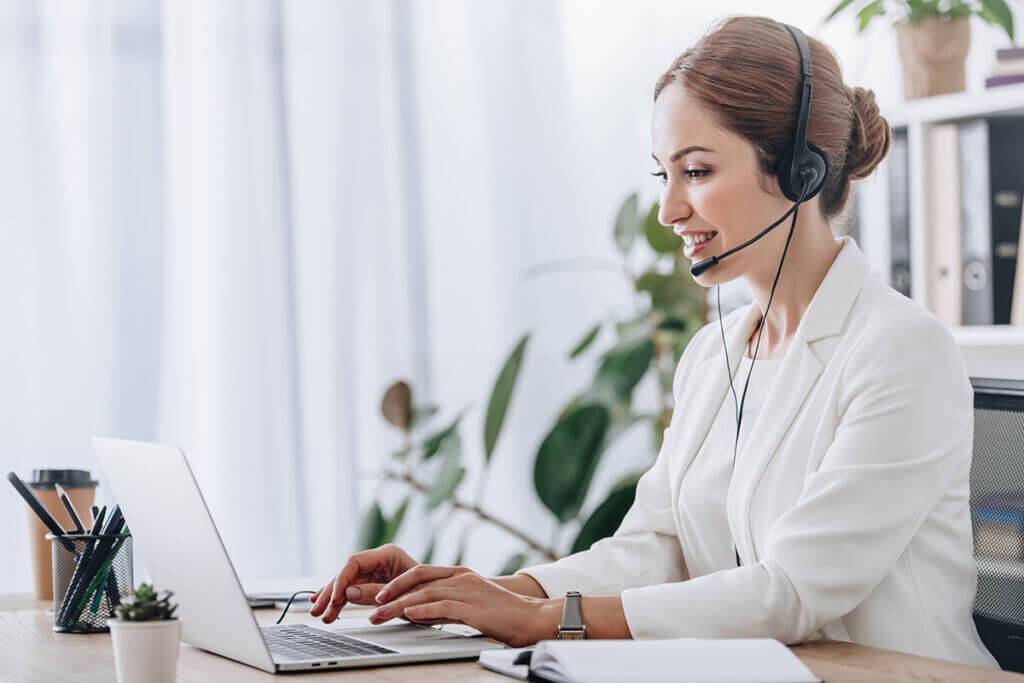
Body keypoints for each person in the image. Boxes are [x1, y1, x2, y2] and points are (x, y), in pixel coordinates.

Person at [309, 15, 998, 667]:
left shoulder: (904, 352)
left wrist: (549, 621)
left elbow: (792, 590)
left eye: (695, 172)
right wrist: (485, 589)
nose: (670, 210)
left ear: (800, 172)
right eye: (662, 174)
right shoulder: (713, 354)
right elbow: (654, 546)